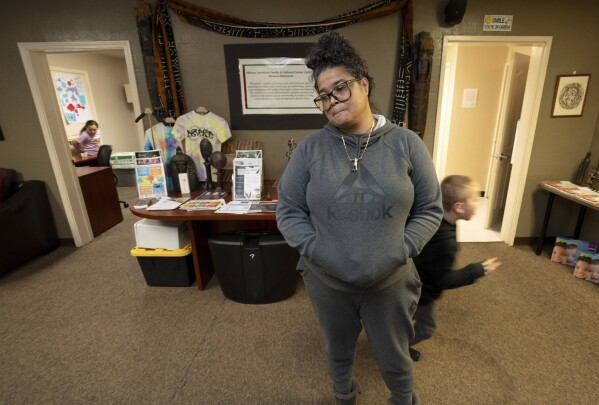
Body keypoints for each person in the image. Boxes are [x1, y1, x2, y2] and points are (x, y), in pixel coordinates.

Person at [276, 32, 443, 405]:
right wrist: (316, 249)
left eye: (340, 88)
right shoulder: (310, 149)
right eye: (323, 96)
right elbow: (288, 208)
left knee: (395, 355)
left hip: (391, 281)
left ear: (363, 84)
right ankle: (343, 396)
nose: (332, 101)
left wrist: (401, 248)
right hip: (327, 281)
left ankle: (403, 399)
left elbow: (431, 207)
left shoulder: (406, 143)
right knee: (338, 350)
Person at [409, 175, 502, 361]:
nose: (477, 204)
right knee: (427, 328)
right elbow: (442, 280)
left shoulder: (431, 217)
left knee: (398, 315)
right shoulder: (446, 243)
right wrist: (477, 270)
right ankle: (396, 347)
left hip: (409, 279)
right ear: (459, 207)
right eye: (474, 200)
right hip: (420, 291)